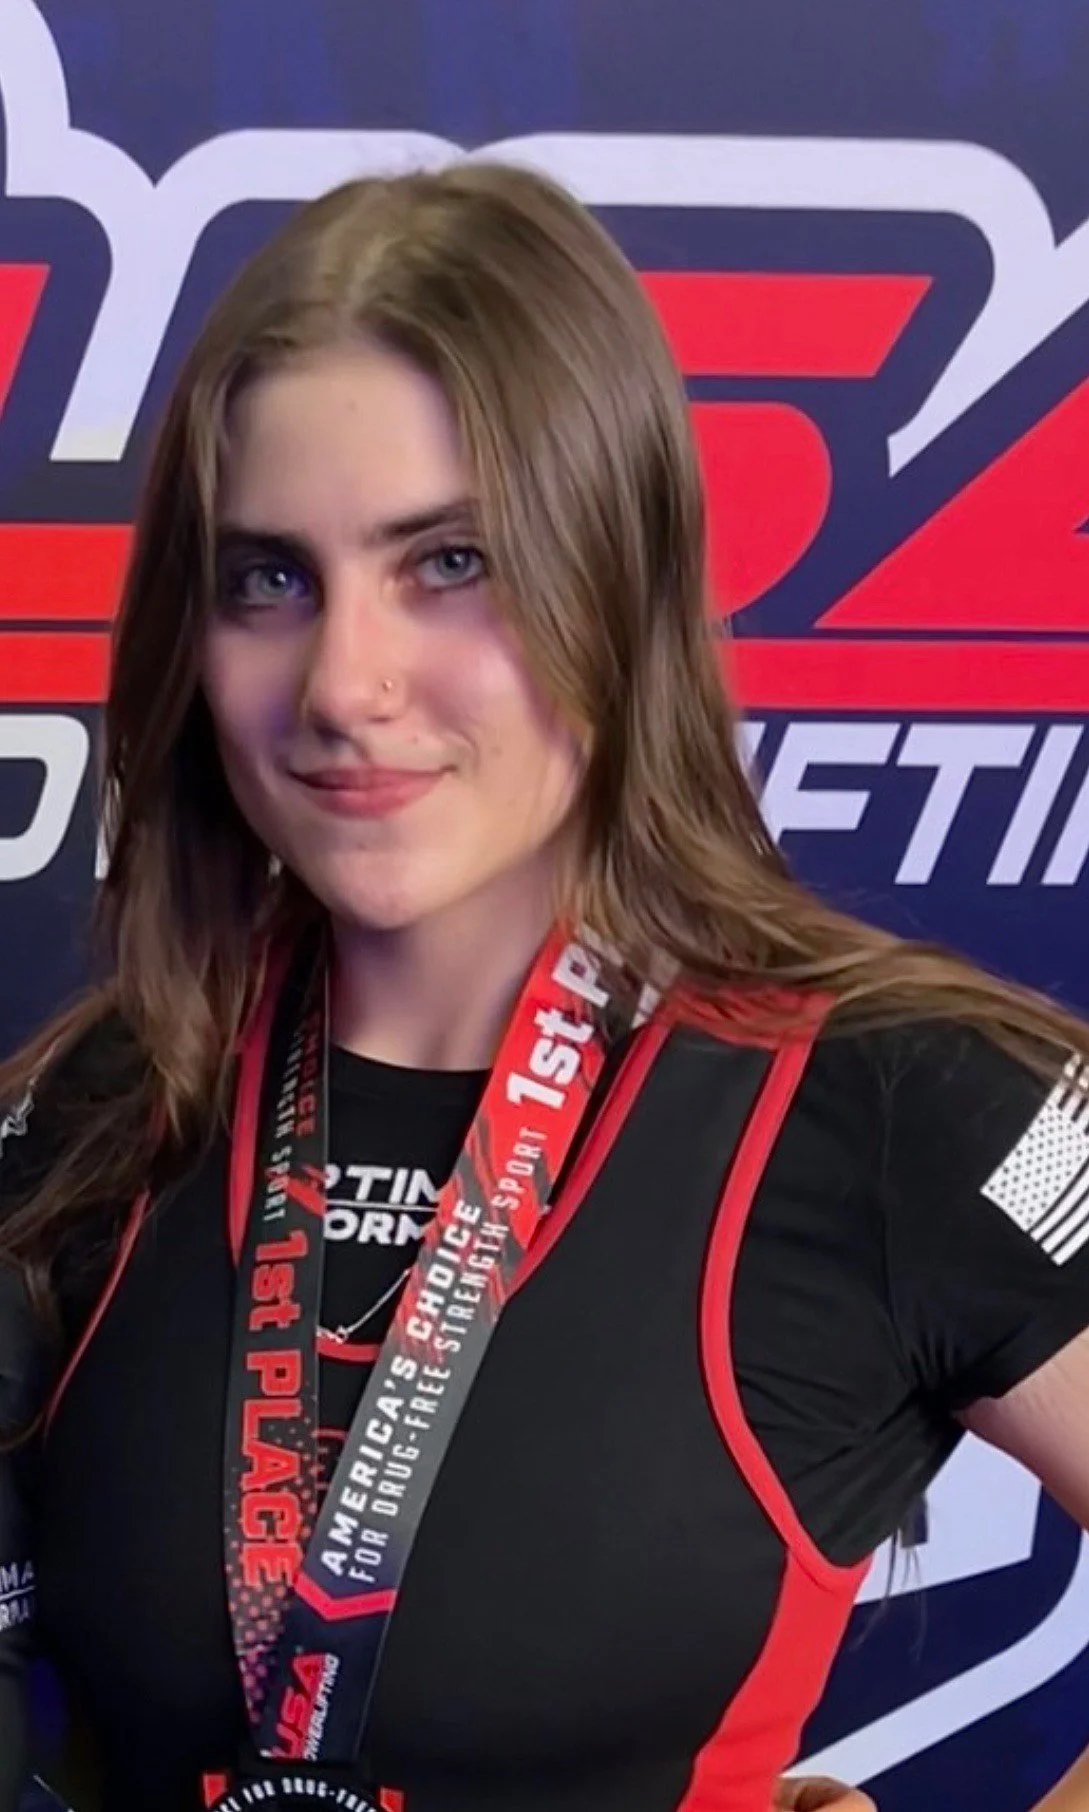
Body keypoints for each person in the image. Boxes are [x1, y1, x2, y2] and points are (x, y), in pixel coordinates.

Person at [0, 161, 1087, 1812]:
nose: (346, 684)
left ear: (617, 576)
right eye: (269, 579)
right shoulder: (97, 1113)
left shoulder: (903, 1095)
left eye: (450, 564)